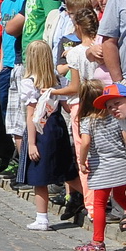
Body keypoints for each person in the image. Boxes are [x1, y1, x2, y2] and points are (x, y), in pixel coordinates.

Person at [74, 81, 126, 251]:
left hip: (102, 167)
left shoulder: (87, 121)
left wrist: (81, 162)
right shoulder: (115, 118)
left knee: (99, 203)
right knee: (121, 196)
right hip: (120, 163)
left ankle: (98, 241)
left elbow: (86, 142)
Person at [18, 40, 75, 230]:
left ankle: (42, 218)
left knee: (39, 176)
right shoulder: (59, 80)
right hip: (57, 126)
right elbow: (67, 107)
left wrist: (32, 143)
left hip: (41, 129)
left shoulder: (29, 82)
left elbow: (32, 115)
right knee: (67, 170)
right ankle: (91, 204)